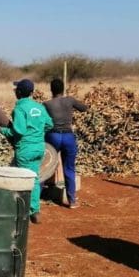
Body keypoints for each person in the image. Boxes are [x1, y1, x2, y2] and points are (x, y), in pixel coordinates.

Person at [0, 79, 53, 224]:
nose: (15, 91)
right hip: (39, 148)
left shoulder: (19, 109)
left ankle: (23, 213)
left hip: (25, 149)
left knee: (22, 179)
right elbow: (49, 124)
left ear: (20, 92)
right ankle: (34, 211)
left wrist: (2, 130)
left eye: (16, 89)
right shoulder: (39, 107)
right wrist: (37, 132)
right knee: (34, 179)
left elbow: (19, 130)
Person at [43, 78, 88, 209]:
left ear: (51, 90)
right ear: (63, 89)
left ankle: (36, 199)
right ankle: (72, 201)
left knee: (45, 166)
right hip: (68, 136)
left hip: (53, 136)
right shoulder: (70, 100)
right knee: (69, 168)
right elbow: (84, 108)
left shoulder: (46, 104)